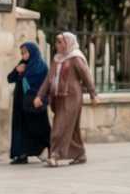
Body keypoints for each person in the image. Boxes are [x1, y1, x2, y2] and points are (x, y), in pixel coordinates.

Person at [33, 31, 94, 166]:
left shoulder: (75, 58)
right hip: (58, 97)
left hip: (72, 97)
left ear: (68, 43)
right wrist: (39, 96)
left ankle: (55, 155)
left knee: (60, 126)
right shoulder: (57, 59)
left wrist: (93, 94)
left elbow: (86, 76)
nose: (57, 45)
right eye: (57, 42)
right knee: (72, 128)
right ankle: (79, 154)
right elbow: (49, 80)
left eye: (60, 42)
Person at [6, 41, 50, 164]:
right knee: (20, 127)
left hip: (35, 101)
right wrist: (17, 70)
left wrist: (40, 98)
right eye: (22, 53)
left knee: (37, 127)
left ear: (32, 52)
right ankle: (21, 154)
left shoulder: (41, 66)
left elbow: (45, 84)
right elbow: (10, 78)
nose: (23, 55)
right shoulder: (22, 64)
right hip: (20, 101)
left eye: (25, 53)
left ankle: (44, 150)